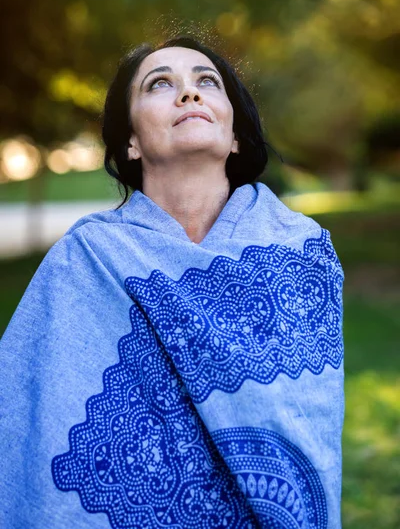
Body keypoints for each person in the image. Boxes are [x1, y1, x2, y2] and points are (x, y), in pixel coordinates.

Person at [0, 35, 345, 529]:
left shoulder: (303, 251)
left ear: (234, 136)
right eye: (160, 84)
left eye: (207, 81)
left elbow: (308, 429)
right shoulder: (87, 259)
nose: (189, 93)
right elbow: (27, 423)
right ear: (130, 143)